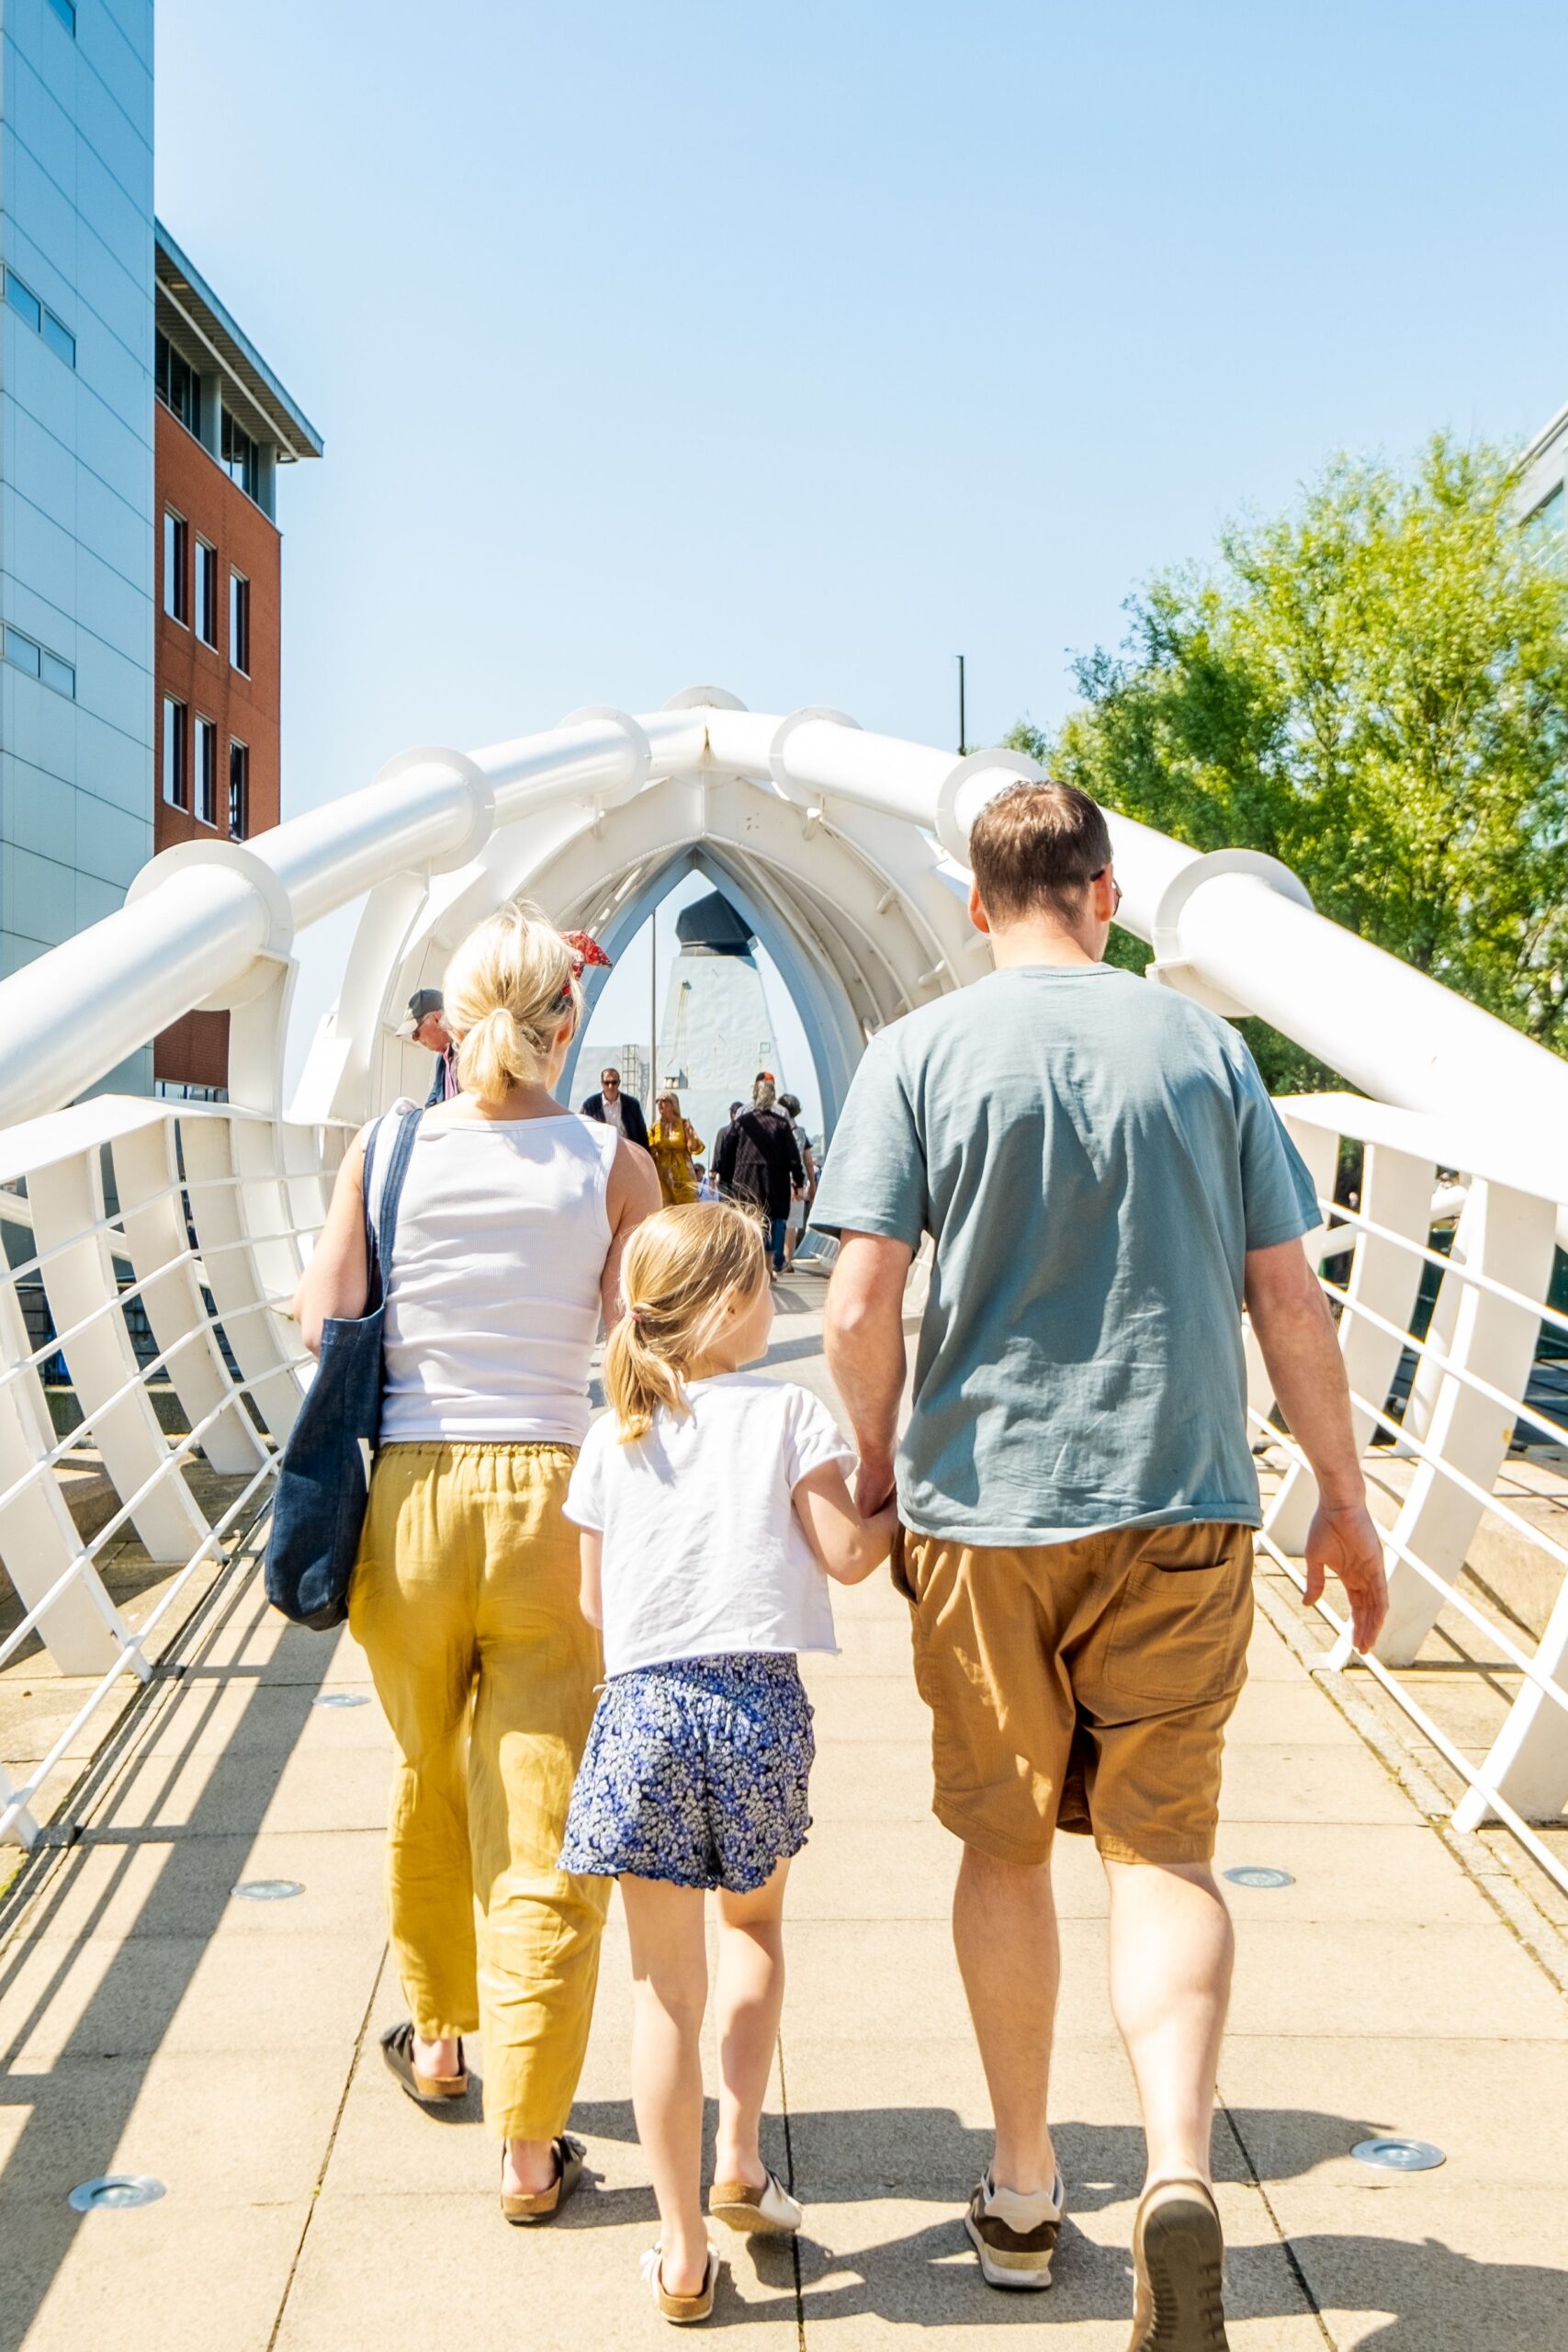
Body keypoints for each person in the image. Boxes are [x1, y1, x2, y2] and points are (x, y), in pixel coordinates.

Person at [811, 781, 1387, 2346]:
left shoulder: (916, 1055)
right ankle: (1180, 2172)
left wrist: (873, 1469)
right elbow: (1289, 1303)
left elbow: (859, 1303)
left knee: (1006, 1849)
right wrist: (1339, 1496)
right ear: (1108, 893)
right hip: (1182, 1495)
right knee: (1165, 1855)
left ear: (976, 907)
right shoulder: (1205, 1051)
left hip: (982, 1516)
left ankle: (1015, 2185)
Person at [294, 899, 661, 2225]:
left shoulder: (384, 1148)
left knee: (425, 1767)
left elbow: (322, 1316)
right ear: (566, 1027)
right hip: (551, 1498)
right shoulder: (614, 1166)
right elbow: (641, 1363)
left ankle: (438, 2035)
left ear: (451, 1026)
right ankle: (526, 2144)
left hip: (403, 1494)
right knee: (544, 1816)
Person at [558, 1202, 896, 2323]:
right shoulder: (789, 1414)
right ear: (731, 1305)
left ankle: (682, 2250)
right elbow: (847, 1555)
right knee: (751, 1930)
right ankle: (742, 2155)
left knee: (663, 1993)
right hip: (754, 1705)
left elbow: (595, 1602)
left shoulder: (615, 1432)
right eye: (762, 1284)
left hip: (644, 1712)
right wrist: (895, 1497)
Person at [713, 1078, 804, 1277]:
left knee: (750, 1223)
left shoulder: (742, 1122)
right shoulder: (781, 1124)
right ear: (773, 1099)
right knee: (771, 1224)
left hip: (746, 1181)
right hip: (774, 1183)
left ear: (755, 1095)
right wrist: (798, 1182)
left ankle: (750, 1270)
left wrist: (725, 1180)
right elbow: (793, 1157)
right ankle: (767, 1270)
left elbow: (727, 1152)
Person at [777, 1092, 817, 1268]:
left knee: (776, 1219)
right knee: (792, 1222)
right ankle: (788, 1260)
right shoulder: (800, 1133)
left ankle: (774, 1259)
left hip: (777, 1180)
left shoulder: (775, 1129)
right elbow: (808, 1162)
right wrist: (812, 1185)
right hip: (797, 1183)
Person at [647, 1091, 705, 1207]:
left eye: (664, 1101)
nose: (660, 1104)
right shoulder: (654, 1127)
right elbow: (649, 1148)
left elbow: (695, 1147)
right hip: (663, 1172)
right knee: (665, 1207)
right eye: (658, 1101)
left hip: (682, 1171)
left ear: (673, 1104)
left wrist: (689, 1135)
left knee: (687, 1206)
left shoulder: (683, 1124)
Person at [408, 986, 458, 1104]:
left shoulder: (469, 1052)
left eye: (416, 1032)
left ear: (436, 1018)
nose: (415, 1039)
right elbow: (433, 1100)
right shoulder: (442, 1060)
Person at [581, 1064, 649, 1148]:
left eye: (614, 1082)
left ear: (619, 1083)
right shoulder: (590, 1106)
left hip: (627, 1151)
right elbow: (582, 1130)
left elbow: (641, 1133)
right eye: (607, 1083)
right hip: (601, 1151)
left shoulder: (632, 1105)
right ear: (602, 1084)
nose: (610, 1086)